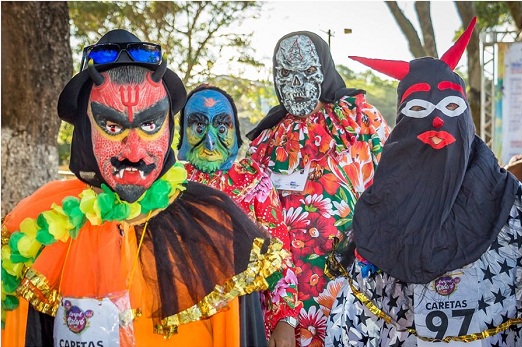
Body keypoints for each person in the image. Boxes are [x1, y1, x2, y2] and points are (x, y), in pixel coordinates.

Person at [1, 29, 288, 347]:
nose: (134, 152)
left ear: (168, 126)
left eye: (150, 124)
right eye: (112, 126)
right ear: (84, 129)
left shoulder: (217, 225)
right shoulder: (38, 225)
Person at [325, 18, 522, 346]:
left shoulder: (510, 206)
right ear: (402, 122)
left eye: (450, 106)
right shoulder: (379, 217)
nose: (437, 119)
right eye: (419, 107)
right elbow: (357, 329)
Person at [245, 31, 390, 347]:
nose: (295, 84)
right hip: (283, 304)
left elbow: (392, 196)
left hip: (349, 291)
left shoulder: (359, 121)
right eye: (285, 74)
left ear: (323, 69)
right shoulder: (265, 140)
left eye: (306, 72)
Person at [177, 84, 301, 347]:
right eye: (199, 127)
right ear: (182, 134)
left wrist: (284, 320)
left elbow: (278, 254)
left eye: (222, 128)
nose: (210, 141)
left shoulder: (253, 180)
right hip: (179, 316)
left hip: (242, 314)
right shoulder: (167, 183)